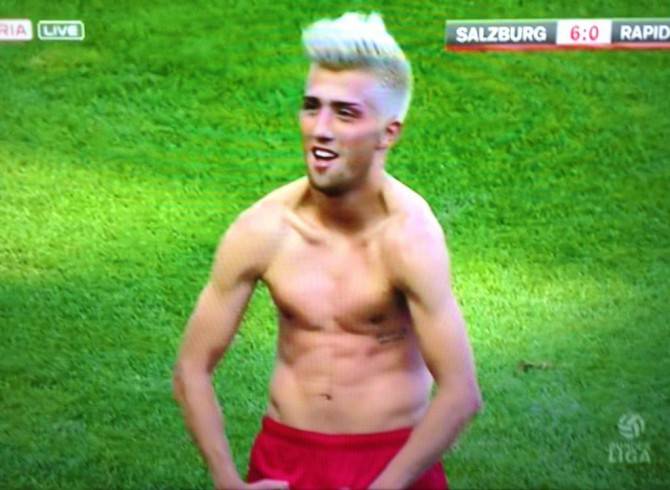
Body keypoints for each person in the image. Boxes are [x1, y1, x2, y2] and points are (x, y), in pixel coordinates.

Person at [173, 11, 482, 490]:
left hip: (393, 464)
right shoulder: (264, 228)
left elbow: (461, 393)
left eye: (345, 113)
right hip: (286, 461)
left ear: (389, 132)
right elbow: (192, 368)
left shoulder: (409, 238)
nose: (320, 128)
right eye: (311, 106)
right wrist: (228, 482)